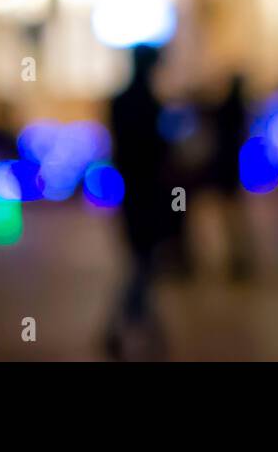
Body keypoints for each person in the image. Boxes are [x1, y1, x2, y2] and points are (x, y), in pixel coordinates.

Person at [105, 44, 170, 360]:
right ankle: (119, 328)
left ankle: (137, 329)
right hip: (145, 193)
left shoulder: (120, 101)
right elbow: (158, 151)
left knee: (142, 264)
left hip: (131, 192)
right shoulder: (149, 103)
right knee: (143, 265)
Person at [208, 73, 254, 280]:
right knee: (233, 216)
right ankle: (239, 258)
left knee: (230, 217)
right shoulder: (239, 109)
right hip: (231, 169)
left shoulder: (228, 109)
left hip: (225, 169)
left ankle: (238, 258)